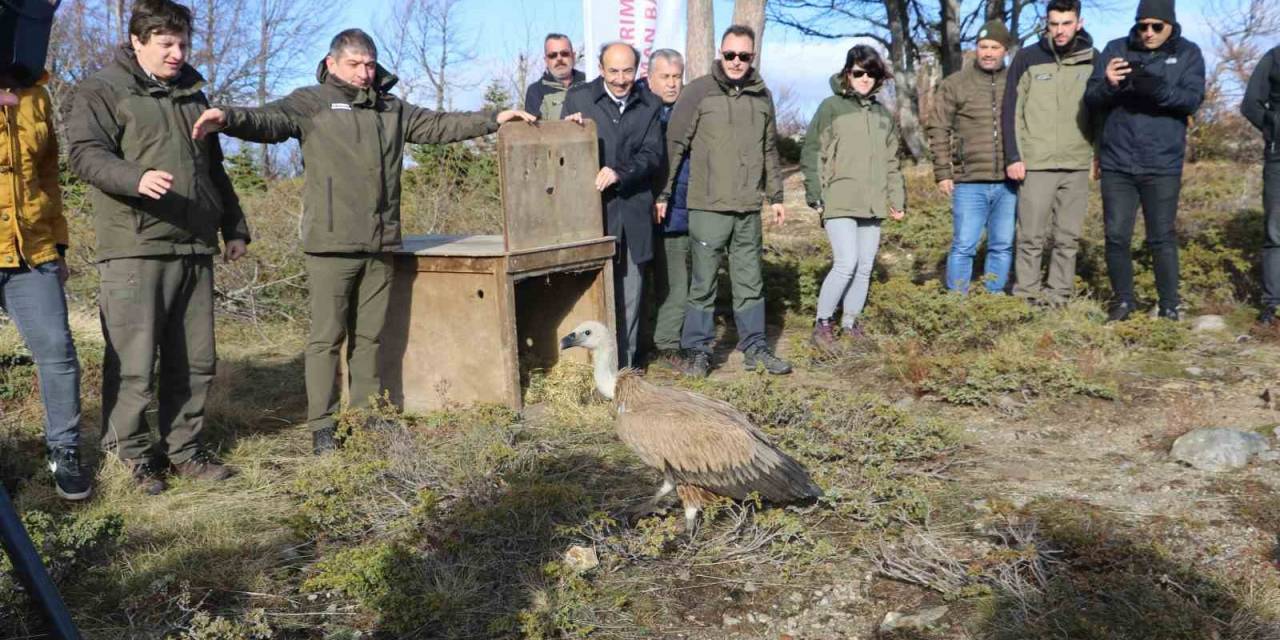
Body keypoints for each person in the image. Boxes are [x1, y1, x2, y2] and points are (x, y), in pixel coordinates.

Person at [191, 29, 535, 454]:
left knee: (370, 338)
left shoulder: (391, 108)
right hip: (330, 245)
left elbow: (440, 124)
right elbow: (267, 120)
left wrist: (493, 117)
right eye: (354, 64)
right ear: (333, 64)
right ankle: (323, 427)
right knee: (325, 340)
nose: (364, 73)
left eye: (369, 64)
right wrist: (227, 116)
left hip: (381, 244)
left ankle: (367, 418)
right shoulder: (311, 102)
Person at [68, 0, 250, 494]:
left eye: (183, 43)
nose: (177, 53)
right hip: (135, 245)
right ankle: (129, 458)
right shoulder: (102, 89)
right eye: (166, 43)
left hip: (193, 245)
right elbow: (85, 154)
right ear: (137, 41)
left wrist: (234, 226)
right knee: (133, 362)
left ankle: (184, 451)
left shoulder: (194, 94)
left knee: (194, 360)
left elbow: (213, 169)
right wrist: (136, 176)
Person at [656, 24, 791, 377]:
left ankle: (755, 347)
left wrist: (776, 195)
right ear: (721, 52)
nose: (735, 61)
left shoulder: (762, 96)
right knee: (703, 284)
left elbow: (769, 149)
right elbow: (675, 145)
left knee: (750, 282)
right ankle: (698, 351)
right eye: (730, 54)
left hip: (748, 208)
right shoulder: (699, 91)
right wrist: (664, 192)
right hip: (708, 207)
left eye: (743, 56)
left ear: (752, 57)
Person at [1085, 0, 1204, 322]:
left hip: (1162, 162)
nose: (1148, 33)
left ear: (1170, 25)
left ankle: (1169, 305)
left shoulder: (1189, 53)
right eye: (1143, 26)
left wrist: (1158, 89)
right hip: (1117, 162)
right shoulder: (1115, 48)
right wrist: (1109, 83)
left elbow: (1192, 99)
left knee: (1161, 236)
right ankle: (1123, 302)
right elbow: (1091, 99)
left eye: (1156, 26)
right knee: (1116, 235)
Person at [0, 72, 85, 500]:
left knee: (58, 353)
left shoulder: (36, 94)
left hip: (33, 249)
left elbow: (48, 173)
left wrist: (59, 242)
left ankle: (65, 451)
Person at [562, 43, 663, 369]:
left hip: (633, 211)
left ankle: (624, 372)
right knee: (592, 293)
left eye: (628, 71)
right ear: (601, 68)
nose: (621, 79)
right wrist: (568, 129)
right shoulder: (579, 98)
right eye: (614, 71)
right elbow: (560, 154)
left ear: (638, 69)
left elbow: (652, 156)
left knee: (630, 295)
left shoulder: (651, 104)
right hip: (592, 215)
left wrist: (620, 172)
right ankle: (585, 373)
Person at [802, 45, 905, 349]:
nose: (864, 79)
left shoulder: (882, 115)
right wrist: (815, 193)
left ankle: (850, 325)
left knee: (864, 266)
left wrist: (897, 199)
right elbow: (812, 151)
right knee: (846, 262)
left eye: (871, 73)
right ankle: (822, 325)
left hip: (872, 202)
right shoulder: (830, 107)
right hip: (840, 199)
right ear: (848, 73)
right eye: (859, 72)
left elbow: (891, 162)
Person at [1002, 0, 1099, 308]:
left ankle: (1059, 296)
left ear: (1078, 23)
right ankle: (1026, 296)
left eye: (1066, 23)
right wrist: (1013, 156)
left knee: (1067, 238)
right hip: (1036, 163)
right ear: (1047, 23)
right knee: (1030, 236)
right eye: (1054, 23)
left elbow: (1102, 111)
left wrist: (1098, 156)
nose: (1059, 30)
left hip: (1077, 162)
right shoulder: (1027, 58)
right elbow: (1010, 110)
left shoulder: (1094, 59)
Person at [927, 20, 1017, 294]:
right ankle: (957, 303)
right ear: (976, 49)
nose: (988, 52)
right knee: (964, 244)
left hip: (1009, 181)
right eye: (983, 46)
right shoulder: (955, 84)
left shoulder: (1016, 82)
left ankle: (992, 301)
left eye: (995, 47)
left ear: (1005, 50)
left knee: (1002, 245)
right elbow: (938, 127)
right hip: (968, 181)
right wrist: (943, 172)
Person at [645, 48, 692, 369]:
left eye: (677, 77)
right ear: (650, 79)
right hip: (638, 214)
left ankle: (666, 344)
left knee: (675, 282)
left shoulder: (689, 111)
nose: (672, 84)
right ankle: (640, 342)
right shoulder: (638, 112)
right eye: (665, 77)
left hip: (677, 213)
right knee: (640, 284)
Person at [1243, 44, 1280, 326]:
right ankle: (1273, 305)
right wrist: (1275, 129)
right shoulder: (1275, 56)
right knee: (1276, 232)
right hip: (1278, 158)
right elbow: (1251, 103)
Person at [525, 33, 587, 120]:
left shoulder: (589, 82)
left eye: (564, 53)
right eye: (553, 55)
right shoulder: (535, 91)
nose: (559, 59)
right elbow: (534, 131)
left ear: (573, 56)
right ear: (546, 60)